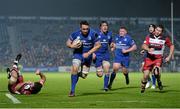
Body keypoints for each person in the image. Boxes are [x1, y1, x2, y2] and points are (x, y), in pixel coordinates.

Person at [66, 20, 101, 97]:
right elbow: (68, 42)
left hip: (88, 56)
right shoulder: (75, 34)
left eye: (87, 29)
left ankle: (76, 75)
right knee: (75, 69)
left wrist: (88, 53)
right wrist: (72, 46)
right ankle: (72, 91)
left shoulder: (93, 33)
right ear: (80, 28)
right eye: (83, 29)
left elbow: (98, 45)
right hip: (78, 54)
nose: (85, 30)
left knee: (84, 76)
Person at [141, 25, 174, 93]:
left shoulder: (164, 38)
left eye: (160, 31)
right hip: (149, 58)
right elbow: (143, 45)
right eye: (157, 30)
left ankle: (158, 81)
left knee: (156, 71)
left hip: (158, 58)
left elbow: (172, 46)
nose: (158, 32)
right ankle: (143, 86)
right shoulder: (149, 37)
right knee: (146, 75)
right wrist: (148, 49)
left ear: (161, 32)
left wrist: (169, 56)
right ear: (155, 29)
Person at [93, 21, 112, 91]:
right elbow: (91, 44)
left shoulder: (109, 34)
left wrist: (112, 46)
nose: (105, 27)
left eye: (106, 25)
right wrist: (93, 53)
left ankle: (105, 87)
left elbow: (110, 43)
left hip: (105, 55)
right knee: (100, 74)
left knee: (107, 68)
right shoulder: (96, 34)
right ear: (100, 27)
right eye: (103, 25)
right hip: (97, 55)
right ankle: (98, 69)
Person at [140, 24, 156, 89]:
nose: (150, 28)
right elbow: (146, 44)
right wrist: (144, 50)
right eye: (149, 27)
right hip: (147, 54)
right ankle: (148, 81)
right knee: (142, 69)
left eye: (152, 27)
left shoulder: (157, 36)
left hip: (155, 55)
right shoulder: (148, 36)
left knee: (153, 70)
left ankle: (154, 84)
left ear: (155, 29)